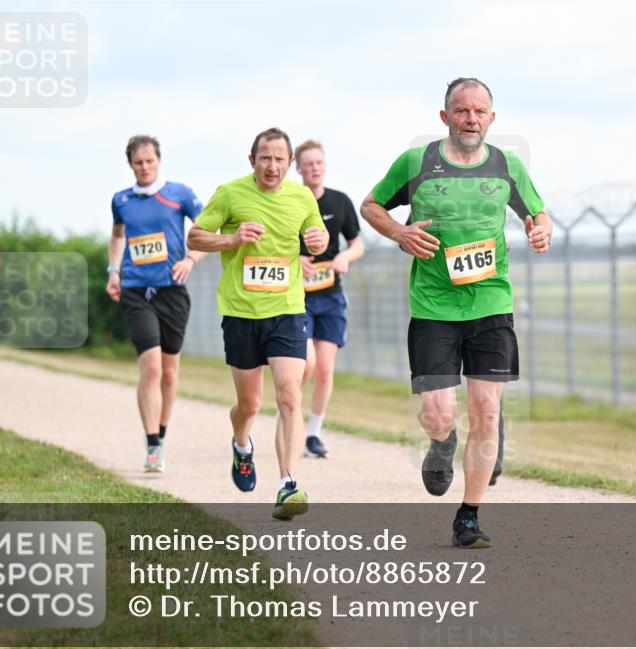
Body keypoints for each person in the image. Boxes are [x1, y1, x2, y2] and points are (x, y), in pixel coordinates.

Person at [361, 77, 552, 548]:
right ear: (445, 116)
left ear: (491, 118)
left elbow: (538, 212)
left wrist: (541, 230)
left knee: (485, 410)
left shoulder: (507, 166)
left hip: (491, 301)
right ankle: (442, 442)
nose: (471, 119)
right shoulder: (416, 163)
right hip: (434, 306)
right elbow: (371, 205)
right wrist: (399, 232)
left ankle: (469, 516)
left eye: (479, 111)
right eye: (462, 111)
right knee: (438, 413)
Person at [187, 127, 328, 519]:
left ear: (290, 163)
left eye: (280, 159)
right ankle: (241, 444)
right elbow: (195, 237)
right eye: (265, 158)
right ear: (252, 160)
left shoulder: (302, 197)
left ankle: (288, 484)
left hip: (287, 310)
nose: (272, 166)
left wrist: (318, 241)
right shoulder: (230, 193)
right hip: (241, 312)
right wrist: (232, 240)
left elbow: (317, 235)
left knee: (289, 394)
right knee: (249, 404)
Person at [107, 135, 206, 474]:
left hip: (172, 291)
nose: (144, 167)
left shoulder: (180, 194)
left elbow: (206, 231)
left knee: (169, 370)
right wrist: (113, 271)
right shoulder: (121, 200)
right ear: (130, 165)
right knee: (150, 367)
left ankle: (161, 434)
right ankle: (152, 445)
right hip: (136, 290)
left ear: (159, 161)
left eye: (149, 161)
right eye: (138, 162)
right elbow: (117, 236)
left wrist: (191, 259)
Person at [290, 139, 365, 459]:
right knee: (304, 365)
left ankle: (313, 435)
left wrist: (345, 257)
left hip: (331, 296)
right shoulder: (289, 201)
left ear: (325, 166)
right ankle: (288, 413)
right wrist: (295, 260)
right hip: (297, 298)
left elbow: (358, 244)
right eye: (308, 164)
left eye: (319, 163)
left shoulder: (340, 201)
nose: (314, 168)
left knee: (324, 370)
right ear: (298, 168)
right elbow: (272, 246)